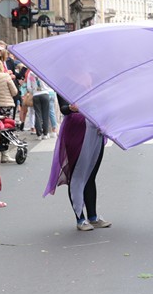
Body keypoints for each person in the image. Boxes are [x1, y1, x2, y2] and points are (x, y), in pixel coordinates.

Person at [45, 95, 112, 231]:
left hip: (96, 132)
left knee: (90, 176)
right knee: (77, 176)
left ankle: (93, 217)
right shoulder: (65, 83)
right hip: (77, 132)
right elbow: (64, 108)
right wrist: (70, 108)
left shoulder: (93, 79)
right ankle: (80, 219)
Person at [26, 70, 51, 139]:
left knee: (37, 114)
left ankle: (39, 134)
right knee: (45, 114)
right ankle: (45, 133)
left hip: (36, 95)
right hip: (45, 93)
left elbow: (28, 87)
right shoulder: (43, 70)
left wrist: (33, 91)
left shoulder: (30, 73)